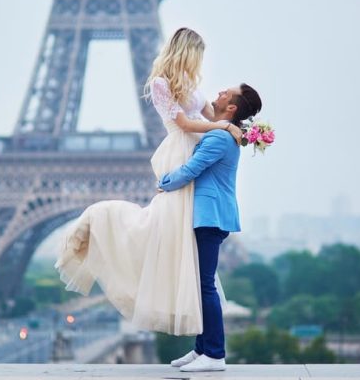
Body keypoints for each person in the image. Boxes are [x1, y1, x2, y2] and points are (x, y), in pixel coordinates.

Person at [55, 27, 242, 336]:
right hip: (180, 148)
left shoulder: (192, 84)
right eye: (198, 55)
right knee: (167, 223)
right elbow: (183, 122)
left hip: (197, 145)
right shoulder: (160, 83)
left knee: (183, 237)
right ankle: (101, 224)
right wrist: (221, 126)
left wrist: (239, 127)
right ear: (187, 52)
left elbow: (211, 116)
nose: (200, 63)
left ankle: (203, 344)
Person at [160, 83, 262, 372]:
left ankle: (214, 354)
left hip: (210, 216)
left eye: (224, 94)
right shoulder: (222, 132)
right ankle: (202, 349)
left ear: (231, 108)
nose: (217, 94)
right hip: (210, 215)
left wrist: (163, 183)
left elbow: (192, 169)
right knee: (201, 283)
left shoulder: (218, 137)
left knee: (205, 285)